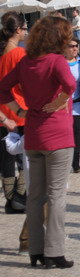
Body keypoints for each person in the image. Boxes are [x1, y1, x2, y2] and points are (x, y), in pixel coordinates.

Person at [0, 15, 77, 268]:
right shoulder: (56, 61)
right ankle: (54, 251)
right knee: (55, 197)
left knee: (35, 196)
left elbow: (2, 87)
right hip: (57, 135)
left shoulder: (27, 62)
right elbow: (70, 84)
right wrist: (58, 103)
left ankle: (35, 249)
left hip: (33, 134)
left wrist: (19, 111)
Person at [0, 11, 28, 214]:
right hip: (18, 111)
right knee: (26, 158)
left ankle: (11, 200)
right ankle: (18, 198)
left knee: (6, 160)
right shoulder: (19, 54)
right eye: (25, 28)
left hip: (3, 113)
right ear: (18, 30)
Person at [65, 38, 80, 173]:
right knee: (64, 135)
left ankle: (76, 163)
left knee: (76, 135)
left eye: (76, 46)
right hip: (62, 107)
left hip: (77, 105)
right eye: (71, 46)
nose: (74, 49)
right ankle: (64, 161)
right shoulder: (60, 64)